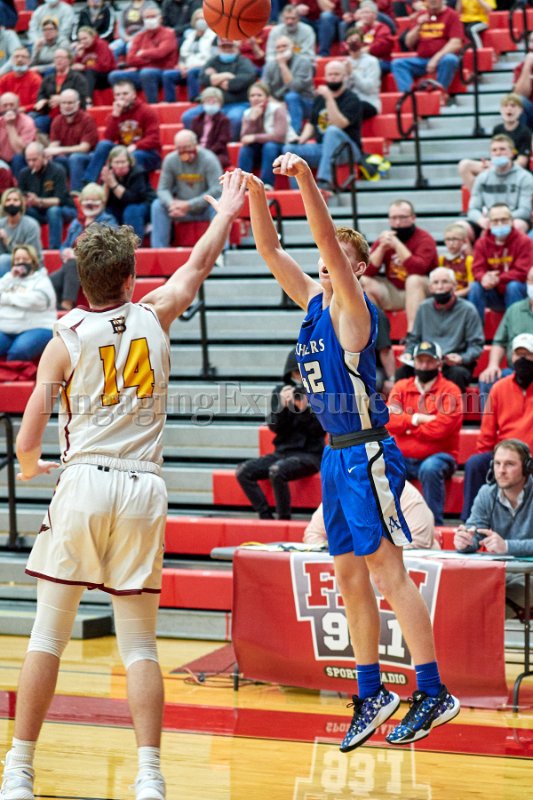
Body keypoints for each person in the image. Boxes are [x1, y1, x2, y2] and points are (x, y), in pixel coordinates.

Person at [0, 169, 247, 800]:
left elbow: (27, 439)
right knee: (140, 645)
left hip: (84, 481)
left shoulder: (64, 339)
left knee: (47, 636)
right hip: (143, 486)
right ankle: (149, 777)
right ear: (132, 278)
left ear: (79, 280)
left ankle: (18, 771)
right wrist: (226, 212)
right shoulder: (156, 313)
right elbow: (198, 263)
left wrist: (30, 468)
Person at [245, 152, 459, 752]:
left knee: (388, 573)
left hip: (367, 453)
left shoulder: (355, 310)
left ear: (357, 267)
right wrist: (256, 194)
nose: (323, 261)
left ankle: (433, 690)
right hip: (336, 455)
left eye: (335, 256)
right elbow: (271, 251)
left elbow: (322, 242)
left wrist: (305, 180)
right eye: (322, 256)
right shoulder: (313, 303)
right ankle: (371, 693)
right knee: (347, 574)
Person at [236, 347, 324, 520]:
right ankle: (265, 517)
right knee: (243, 471)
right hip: (283, 452)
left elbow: (320, 431)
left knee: (277, 471)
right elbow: (274, 428)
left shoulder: (319, 393)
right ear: (289, 373)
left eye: (303, 373)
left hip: (311, 455)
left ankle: (284, 519)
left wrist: (304, 410)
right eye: (296, 373)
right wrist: (282, 407)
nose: (299, 378)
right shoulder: (280, 391)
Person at [455, 439, 533, 618]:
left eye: (509, 464)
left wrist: (507, 546)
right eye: (497, 464)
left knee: (487, 609)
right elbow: (475, 531)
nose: (501, 470)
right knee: (462, 595)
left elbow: (505, 546)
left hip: (530, 577)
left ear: (527, 467)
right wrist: (465, 541)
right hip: (500, 574)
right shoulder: (486, 493)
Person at [387, 341, 463, 525]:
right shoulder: (401, 387)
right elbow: (388, 420)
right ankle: (390, 524)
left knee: (430, 469)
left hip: (440, 456)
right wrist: (417, 419)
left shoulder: (451, 390)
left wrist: (406, 428)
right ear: (413, 362)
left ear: (439, 364)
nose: (424, 366)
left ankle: (433, 525)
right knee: (384, 464)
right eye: (420, 361)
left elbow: (442, 429)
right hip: (404, 456)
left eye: (429, 361)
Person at [461, 333, 533, 520]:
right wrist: (494, 458)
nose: (523, 360)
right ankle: (470, 523)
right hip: (505, 453)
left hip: (531, 455)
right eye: (519, 355)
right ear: (511, 357)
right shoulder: (499, 388)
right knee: (475, 464)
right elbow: (487, 431)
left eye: (528, 355)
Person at [395, 266, 484, 392]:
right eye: (436, 283)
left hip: (453, 363)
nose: (440, 287)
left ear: (454, 286)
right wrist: (409, 353)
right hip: (426, 360)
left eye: (445, 282)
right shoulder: (423, 308)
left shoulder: (468, 310)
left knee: (457, 374)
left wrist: (462, 358)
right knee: (402, 373)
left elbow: (476, 345)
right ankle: (403, 405)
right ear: (430, 288)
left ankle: (451, 405)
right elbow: (414, 339)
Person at [282, 60, 364, 194]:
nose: (333, 77)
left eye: (337, 74)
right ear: (325, 76)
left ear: (344, 77)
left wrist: (329, 99)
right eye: (330, 74)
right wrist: (301, 139)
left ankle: (325, 181)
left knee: (332, 131)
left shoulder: (352, 99)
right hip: (324, 149)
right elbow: (311, 123)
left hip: (347, 151)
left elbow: (340, 124)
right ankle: (301, 193)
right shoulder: (320, 99)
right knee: (290, 150)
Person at [361, 199, 438, 331]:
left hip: (423, 291)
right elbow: (367, 271)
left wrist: (397, 245)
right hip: (395, 290)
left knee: (413, 280)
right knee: (364, 281)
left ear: (413, 218)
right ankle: (376, 331)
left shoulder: (425, 239)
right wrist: (381, 248)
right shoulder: (385, 239)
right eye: (393, 218)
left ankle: (412, 333)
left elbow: (418, 269)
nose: (397, 222)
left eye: (402, 217)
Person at [304, 481, 438, 549]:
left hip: (406, 576)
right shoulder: (343, 490)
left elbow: (417, 546)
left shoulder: (407, 496)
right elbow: (313, 535)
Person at [150, 129, 222, 248]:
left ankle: (220, 251)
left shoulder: (209, 159)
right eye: (180, 148)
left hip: (204, 209)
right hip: (179, 210)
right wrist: (171, 204)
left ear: (195, 144)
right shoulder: (170, 160)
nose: (184, 152)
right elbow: (162, 189)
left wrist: (189, 204)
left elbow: (217, 189)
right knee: (157, 205)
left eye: (187, 147)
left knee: (220, 203)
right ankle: (159, 250)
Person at [51, 183, 117, 310]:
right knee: (49, 281)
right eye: (86, 200)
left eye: (94, 200)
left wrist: (78, 255)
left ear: (102, 202)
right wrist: (64, 252)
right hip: (73, 268)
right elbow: (64, 245)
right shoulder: (76, 223)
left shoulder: (108, 222)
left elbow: (107, 248)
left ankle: (67, 305)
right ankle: (55, 307)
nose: (89, 203)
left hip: (96, 268)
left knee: (72, 263)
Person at [83, 79, 161, 184]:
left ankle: (130, 188)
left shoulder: (147, 111)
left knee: (134, 156)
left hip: (148, 153)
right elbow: (108, 138)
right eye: (118, 95)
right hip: (124, 151)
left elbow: (154, 138)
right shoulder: (114, 114)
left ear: (134, 95)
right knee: (103, 145)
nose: (121, 97)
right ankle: (89, 183)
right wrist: (115, 116)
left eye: (125, 94)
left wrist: (135, 146)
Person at [182, 39, 257, 140]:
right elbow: (203, 79)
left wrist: (216, 79)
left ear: (236, 48)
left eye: (230, 47)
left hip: (237, 103)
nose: (227, 49)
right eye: (224, 47)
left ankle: (229, 144)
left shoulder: (244, 61)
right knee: (188, 117)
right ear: (219, 48)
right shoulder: (212, 61)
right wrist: (226, 75)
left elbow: (245, 79)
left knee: (235, 118)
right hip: (211, 103)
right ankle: (195, 143)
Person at [468, 203, 531, 321]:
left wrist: (498, 279)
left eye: (504, 220)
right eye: (495, 221)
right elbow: (477, 269)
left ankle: (515, 329)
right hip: (493, 291)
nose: (500, 224)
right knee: (476, 287)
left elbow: (523, 271)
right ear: (489, 223)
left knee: (513, 286)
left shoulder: (524, 241)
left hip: (518, 291)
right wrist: (484, 278)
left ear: (511, 221)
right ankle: (474, 331)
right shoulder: (481, 243)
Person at [478, 266, 533, 401]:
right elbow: (499, 342)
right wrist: (493, 365)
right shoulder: (514, 310)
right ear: (527, 282)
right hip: (516, 370)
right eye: (532, 280)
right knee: (488, 379)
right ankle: (489, 416)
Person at [391, 0, 463, 102]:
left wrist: (436, 58)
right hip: (422, 60)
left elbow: (456, 43)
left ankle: (440, 94)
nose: (432, 2)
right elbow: (408, 43)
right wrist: (419, 26)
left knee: (450, 59)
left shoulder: (452, 15)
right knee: (398, 63)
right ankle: (409, 98)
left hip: (442, 59)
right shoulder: (421, 15)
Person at [458, 94, 531, 192]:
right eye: (506, 106)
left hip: (515, 169)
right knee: (464, 165)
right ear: (501, 110)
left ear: (520, 110)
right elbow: (494, 154)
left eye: (513, 106)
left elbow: (522, 162)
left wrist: (504, 166)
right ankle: (479, 196)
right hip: (496, 166)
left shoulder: (525, 132)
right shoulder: (497, 129)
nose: (509, 109)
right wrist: (489, 164)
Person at [466, 135, 533, 237]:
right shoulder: (482, 177)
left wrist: (499, 219)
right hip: (488, 219)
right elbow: (473, 209)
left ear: (512, 153)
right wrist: (481, 220)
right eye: (494, 150)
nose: (498, 153)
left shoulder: (525, 177)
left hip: (514, 218)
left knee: (517, 225)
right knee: (460, 228)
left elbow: (525, 211)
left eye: (502, 149)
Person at [108, 7, 178, 104]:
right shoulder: (140, 36)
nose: (150, 20)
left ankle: (152, 104)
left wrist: (143, 53)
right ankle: (125, 104)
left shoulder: (168, 33)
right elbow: (130, 59)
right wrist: (150, 59)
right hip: (141, 72)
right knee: (114, 76)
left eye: (153, 17)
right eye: (147, 18)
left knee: (147, 72)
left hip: (162, 70)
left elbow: (161, 53)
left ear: (160, 19)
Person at [17, 141, 77, 250]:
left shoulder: (57, 170)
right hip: (38, 212)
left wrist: (38, 201)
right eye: (28, 160)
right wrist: (25, 201)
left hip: (64, 209)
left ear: (44, 156)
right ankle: (27, 248)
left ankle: (54, 249)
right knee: (20, 210)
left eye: (34, 160)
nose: (31, 163)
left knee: (53, 210)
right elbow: (20, 196)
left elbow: (59, 200)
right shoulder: (24, 173)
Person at [0, 244, 55, 361]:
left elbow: (37, 300)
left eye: (25, 259)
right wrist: (9, 277)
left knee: (17, 353)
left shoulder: (41, 280)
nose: (20, 262)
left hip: (37, 327)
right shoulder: (9, 279)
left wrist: (6, 298)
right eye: (17, 259)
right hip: (6, 327)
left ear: (33, 262)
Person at [238, 82, 296, 190]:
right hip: (260, 150)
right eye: (252, 95)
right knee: (246, 149)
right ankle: (242, 184)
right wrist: (253, 121)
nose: (255, 98)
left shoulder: (278, 109)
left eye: (259, 95)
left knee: (270, 146)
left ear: (267, 98)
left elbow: (279, 136)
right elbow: (244, 138)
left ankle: (266, 184)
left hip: (281, 148)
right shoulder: (247, 113)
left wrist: (255, 137)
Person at [45, 88, 99, 193]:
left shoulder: (87, 119)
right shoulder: (57, 120)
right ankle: (54, 194)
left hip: (87, 158)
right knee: (52, 160)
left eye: (70, 103)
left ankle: (76, 193)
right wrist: (48, 153)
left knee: (75, 158)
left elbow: (84, 148)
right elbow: (54, 145)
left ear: (78, 104)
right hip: (66, 158)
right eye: (64, 103)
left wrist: (59, 150)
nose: (67, 106)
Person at [261, 35, 315, 136]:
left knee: (291, 97)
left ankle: (294, 134)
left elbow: (294, 87)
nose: (281, 49)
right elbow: (263, 90)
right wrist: (277, 103)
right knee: (258, 99)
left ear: (292, 47)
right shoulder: (269, 65)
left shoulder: (303, 62)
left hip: (304, 102)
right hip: (278, 102)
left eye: (284, 46)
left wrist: (283, 65)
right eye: (278, 47)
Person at [161, 9, 217, 103]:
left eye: (203, 19)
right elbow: (183, 56)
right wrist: (182, 67)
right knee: (167, 75)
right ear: (194, 21)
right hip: (186, 68)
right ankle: (170, 101)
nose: (200, 21)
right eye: (198, 19)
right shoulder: (188, 36)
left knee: (192, 72)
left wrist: (194, 67)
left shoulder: (214, 36)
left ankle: (194, 99)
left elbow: (214, 58)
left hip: (203, 68)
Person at [101, 145, 155, 239]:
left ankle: (134, 244)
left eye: (123, 162)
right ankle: (111, 243)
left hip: (143, 206)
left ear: (129, 162)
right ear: (110, 164)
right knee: (106, 212)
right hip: (120, 207)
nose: (120, 166)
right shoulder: (109, 174)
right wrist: (106, 183)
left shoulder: (138, 172)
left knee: (131, 210)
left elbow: (131, 198)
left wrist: (113, 184)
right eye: (117, 162)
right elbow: (103, 202)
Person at [32, 49, 89, 134]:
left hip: (71, 114)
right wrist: (44, 101)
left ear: (69, 60)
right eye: (56, 58)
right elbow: (41, 95)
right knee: (37, 121)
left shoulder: (78, 78)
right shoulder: (48, 79)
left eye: (61, 58)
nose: (58, 60)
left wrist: (62, 100)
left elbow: (82, 100)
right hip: (50, 113)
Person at [0, 188, 42, 277]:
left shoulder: (31, 225)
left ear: (21, 204)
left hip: (29, 265)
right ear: (3, 204)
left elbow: (30, 254)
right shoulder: (1, 224)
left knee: (3, 259)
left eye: (15, 200)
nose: (11, 203)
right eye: (8, 200)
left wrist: (7, 241)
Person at [189, 87, 231, 169]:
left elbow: (221, 143)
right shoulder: (196, 120)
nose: (211, 104)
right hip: (198, 152)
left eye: (214, 101)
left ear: (220, 104)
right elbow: (192, 139)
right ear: (203, 103)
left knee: (210, 161)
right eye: (208, 101)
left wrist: (206, 154)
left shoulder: (224, 120)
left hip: (217, 153)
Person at [344, 27, 381, 119]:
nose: (353, 43)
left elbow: (370, 88)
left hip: (369, 102)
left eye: (356, 40)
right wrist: (347, 77)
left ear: (362, 43)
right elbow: (344, 90)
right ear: (346, 44)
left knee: (353, 107)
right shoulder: (345, 63)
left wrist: (352, 74)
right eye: (351, 40)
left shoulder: (372, 61)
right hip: (350, 102)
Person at [72, 26, 116, 99]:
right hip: (90, 76)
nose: (83, 42)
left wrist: (84, 67)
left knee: (89, 72)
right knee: (74, 73)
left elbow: (104, 66)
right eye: (81, 40)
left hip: (105, 75)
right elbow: (78, 65)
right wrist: (79, 56)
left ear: (92, 37)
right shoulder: (82, 48)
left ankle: (87, 99)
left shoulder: (102, 44)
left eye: (85, 38)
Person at [0, 92, 36, 179]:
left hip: (23, 160)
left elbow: (19, 151)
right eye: (5, 105)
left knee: (18, 158)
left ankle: (19, 186)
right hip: (3, 159)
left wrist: (10, 126)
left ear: (18, 106)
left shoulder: (27, 122)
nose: (8, 108)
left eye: (12, 105)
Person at [353, 0, 394, 73]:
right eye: (362, 13)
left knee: (366, 66)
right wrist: (357, 32)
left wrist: (368, 49)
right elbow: (351, 46)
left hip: (382, 61)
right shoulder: (361, 29)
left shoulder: (382, 28)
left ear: (375, 15)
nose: (364, 15)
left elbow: (383, 45)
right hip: (364, 60)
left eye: (367, 13)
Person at [0, 47, 41, 113]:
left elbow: (37, 103)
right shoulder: (4, 79)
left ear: (29, 61)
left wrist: (21, 109)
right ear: (12, 61)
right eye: (16, 56)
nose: (19, 59)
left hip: (27, 113)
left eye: (23, 57)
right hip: (5, 112)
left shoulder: (36, 79)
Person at [437, 223, 473, 297]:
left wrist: (453, 296)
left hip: (463, 297)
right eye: (448, 239)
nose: (451, 243)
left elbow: (471, 288)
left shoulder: (469, 260)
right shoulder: (441, 260)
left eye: (455, 239)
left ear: (464, 241)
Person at [513, 30, 533, 130]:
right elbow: (520, 95)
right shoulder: (521, 67)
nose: (532, 46)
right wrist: (527, 65)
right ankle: (522, 139)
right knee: (519, 101)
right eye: (531, 41)